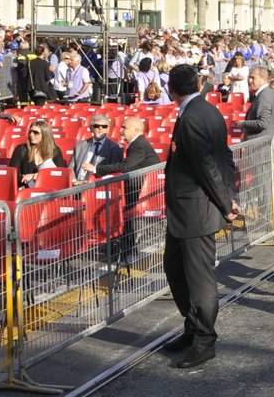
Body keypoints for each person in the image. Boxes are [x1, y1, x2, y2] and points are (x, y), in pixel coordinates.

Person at [161, 63, 239, 369]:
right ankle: (193, 327)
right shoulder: (205, 111)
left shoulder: (194, 116)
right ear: (196, 83)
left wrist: (226, 202)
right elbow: (224, 157)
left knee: (199, 277)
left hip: (197, 209)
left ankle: (204, 339)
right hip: (187, 209)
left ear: (171, 89)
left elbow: (209, 164)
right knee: (175, 268)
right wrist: (228, 196)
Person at [92, 116, 160, 268]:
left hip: (142, 192)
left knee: (125, 214)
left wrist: (97, 169)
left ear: (136, 130)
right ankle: (126, 250)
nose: (121, 130)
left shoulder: (138, 145)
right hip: (137, 189)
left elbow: (126, 167)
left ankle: (128, 252)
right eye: (121, 127)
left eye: (125, 128)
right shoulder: (136, 144)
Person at [10, 119, 67, 187]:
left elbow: (59, 174)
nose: (31, 135)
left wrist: (36, 176)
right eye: (30, 132)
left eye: (35, 132)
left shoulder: (55, 151)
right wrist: (25, 178)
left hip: (49, 189)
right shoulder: (21, 150)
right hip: (26, 190)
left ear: (45, 134)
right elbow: (13, 175)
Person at [71, 112, 125, 182]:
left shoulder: (116, 148)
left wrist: (91, 181)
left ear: (108, 129)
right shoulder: (80, 145)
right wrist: (74, 181)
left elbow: (113, 171)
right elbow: (71, 167)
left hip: (99, 185)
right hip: (77, 185)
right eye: (96, 126)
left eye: (104, 126)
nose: (100, 128)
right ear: (91, 128)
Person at [239, 66, 274, 137]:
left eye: (253, 78)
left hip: (260, 144)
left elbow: (263, 123)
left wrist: (243, 124)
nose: (249, 81)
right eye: (249, 78)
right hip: (269, 142)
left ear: (264, 79)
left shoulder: (264, 96)